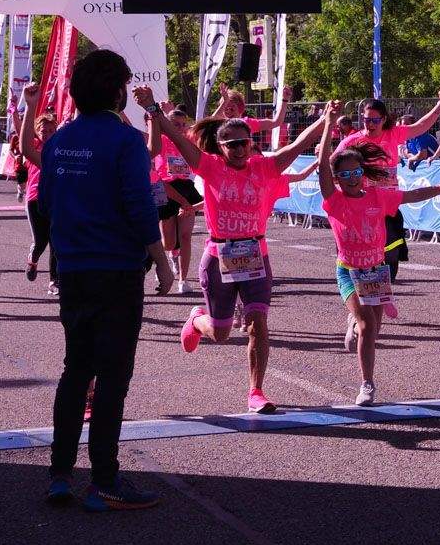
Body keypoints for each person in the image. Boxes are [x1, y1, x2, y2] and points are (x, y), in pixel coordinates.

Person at [33, 54, 174, 511]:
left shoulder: (59, 140)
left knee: (76, 369)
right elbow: (139, 205)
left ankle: (59, 475)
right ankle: (105, 480)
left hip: (73, 269)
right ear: (117, 91)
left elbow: (46, 203)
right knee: (112, 375)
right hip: (116, 269)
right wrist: (162, 261)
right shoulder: (125, 140)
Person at [141, 89, 331, 415]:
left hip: (256, 255)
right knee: (221, 333)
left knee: (258, 323)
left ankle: (256, 391)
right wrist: (153, 109)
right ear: (221, 147)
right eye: (232, 144)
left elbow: (297, 145)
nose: (240, 149)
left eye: (244, 142)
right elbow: (179, 138)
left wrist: (325, 119)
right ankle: (197, 320)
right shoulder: (209, 166)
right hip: (219, 257)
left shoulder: (264, 167)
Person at [316, 102, 440, 405]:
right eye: (345, 174)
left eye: (357, 172)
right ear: (337, 178)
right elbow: (322, 168)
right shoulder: (334, 200)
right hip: (349, 271)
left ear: (364, 172)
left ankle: (358, 327)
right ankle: (367, 384)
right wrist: (328, 124)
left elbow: (413, 194)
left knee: (373, 330)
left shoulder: (378, 196)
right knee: (367, 325)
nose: (352, 178)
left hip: (376, 271)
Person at [336, 91, 440, 280]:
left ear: (384, 120)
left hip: (388, 204)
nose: (370, 124)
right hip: (363, 206)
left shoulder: (393, 134)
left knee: (391, 253)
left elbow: (420, 126)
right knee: (363, 254)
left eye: (375, 120)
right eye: (367, 120)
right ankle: (359, 285)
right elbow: (333, 164)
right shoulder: (352, 141)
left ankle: (384, 286)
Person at [146, 104, 201, 294]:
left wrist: (223, 103)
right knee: (168, 243)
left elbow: (205, 125)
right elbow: (141, 132)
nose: (181, 128)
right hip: (166, 190)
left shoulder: (189, 141)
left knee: (185, 236)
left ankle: (183, 280)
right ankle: (167, 257)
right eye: (176, 124)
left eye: (183, 124)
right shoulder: (160, 140)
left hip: (186, 188)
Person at [17, 110, 61, 296]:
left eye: (51, 131)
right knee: (41, 241)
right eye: (44, 131)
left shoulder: (60, 147)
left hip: (56, 199)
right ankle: (33, 258)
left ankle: (54, 281)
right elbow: (22, 138)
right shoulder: (33, 146)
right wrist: (17, 113)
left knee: (56, 241)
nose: (48, 134)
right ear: (37, 131)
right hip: (35, 198)